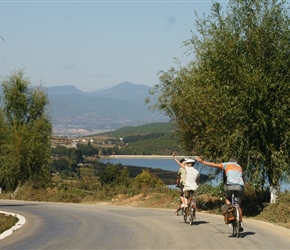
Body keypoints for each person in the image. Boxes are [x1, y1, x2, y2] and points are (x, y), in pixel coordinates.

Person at [195, 156, 244, 232]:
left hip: (230, 186)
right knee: (238, 204)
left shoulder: (227, 164)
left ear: (230, 161)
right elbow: (242, 178)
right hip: (239, 186)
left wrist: (202, 161)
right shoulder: (239, 166)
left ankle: (229, 209)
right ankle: (240, 222)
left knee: (228, 197)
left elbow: (214, 165)